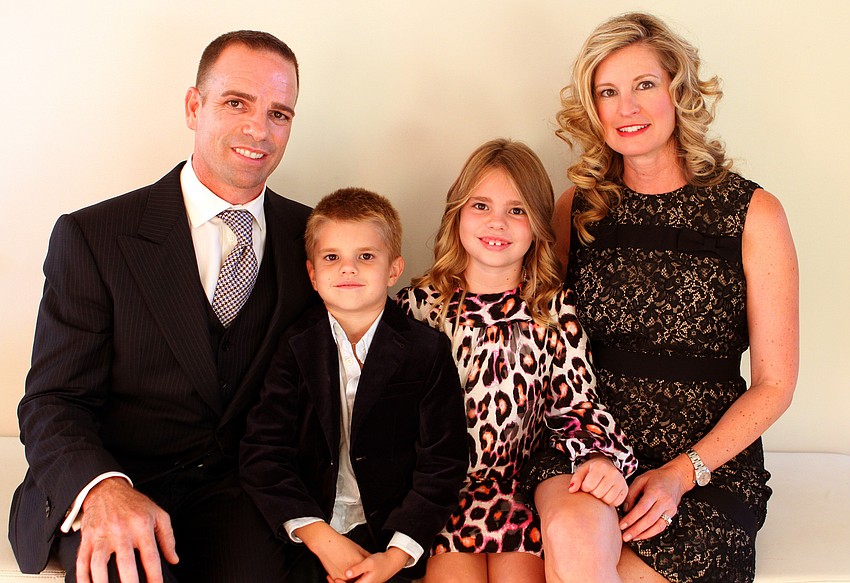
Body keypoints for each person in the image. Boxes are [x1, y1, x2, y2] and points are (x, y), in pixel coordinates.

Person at [9, 30, 315, 583]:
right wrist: (102, 487)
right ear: (194, 107)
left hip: (235, 496)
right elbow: (53, 400)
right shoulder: (93, 236)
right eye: (236, 103)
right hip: (116, 482)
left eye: (280, 113)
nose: (258, 129)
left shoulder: (313, 239)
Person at [525, 12, 799, 583]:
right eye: (608, 92)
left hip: (706, 461)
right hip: (591, 442)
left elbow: (776, 384)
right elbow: (546, 341)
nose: (626, 108)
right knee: (576, 540)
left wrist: (681, 472)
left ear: (679, 92)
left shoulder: (753, 214)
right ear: (592, 109)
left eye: (644, 86)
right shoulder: (576, 208)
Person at [396, 138, 637, 583]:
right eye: (481, 206)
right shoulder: (418, 308)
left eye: (517, 210)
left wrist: (599, 458)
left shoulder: (552, 310)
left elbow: (578, 408)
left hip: (518, 494)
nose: (497, 223)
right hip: (437, 496)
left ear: (538, 226)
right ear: (457, 213)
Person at [240, 187, 469, 582]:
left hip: (392, 533)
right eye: (332, 257)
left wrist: (397, 555)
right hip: (311, 526)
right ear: (312, 274)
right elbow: (263, 450)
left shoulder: (425, 349)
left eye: (366, 256)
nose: (348, 269)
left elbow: (443, 461)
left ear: (393, 270)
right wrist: (317, 535)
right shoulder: (295, 346)